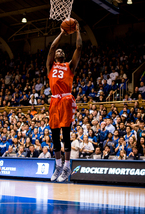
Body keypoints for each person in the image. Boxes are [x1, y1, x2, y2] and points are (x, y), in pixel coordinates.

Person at [47, 19, 82, 182]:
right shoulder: (50, 66)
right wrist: (62, 32)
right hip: (54, 101)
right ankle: (58, 165)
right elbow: (53, 46)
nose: (59, 51)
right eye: (57, 51)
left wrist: (77, 31)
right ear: (55, 56)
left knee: (66, 134)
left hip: (66, 99)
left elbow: (79, 48)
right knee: (54, 136)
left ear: (64, 56)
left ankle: (67, 166)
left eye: (62, 51)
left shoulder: (70, 66)